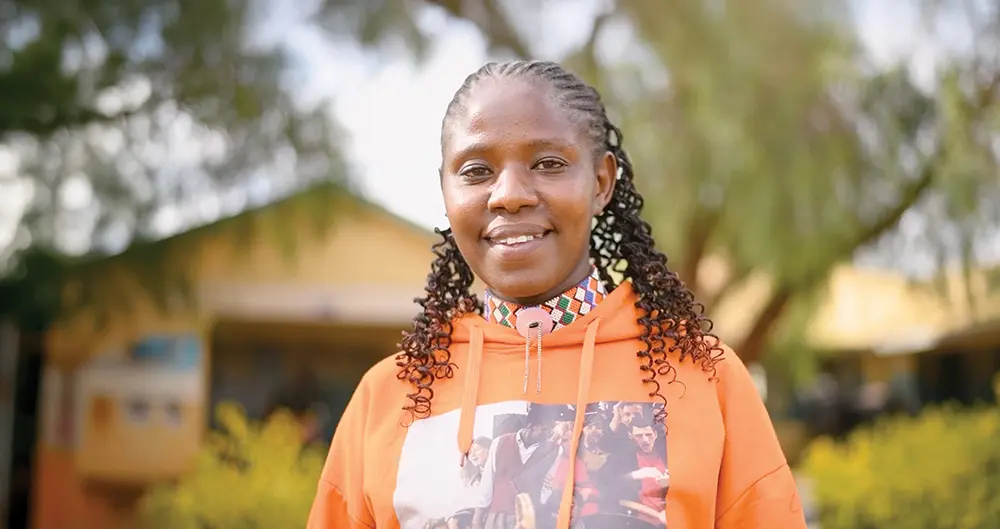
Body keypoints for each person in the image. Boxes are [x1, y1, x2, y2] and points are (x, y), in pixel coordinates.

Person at [308, 60, 807, 529]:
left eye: (547, 163)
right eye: (476, 171)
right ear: (445, 192)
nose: (509, 193)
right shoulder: (388, 394)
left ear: (601, 182)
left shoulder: (702, 376)